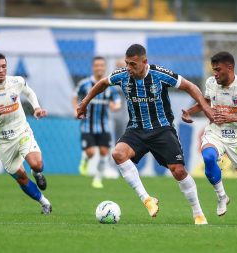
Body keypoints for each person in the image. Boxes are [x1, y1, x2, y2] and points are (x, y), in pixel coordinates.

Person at [76, 44, 214, 224]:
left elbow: (190, 86)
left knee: (178, 171)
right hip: (136, 129)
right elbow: (102, 84)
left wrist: (205, 109)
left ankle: (198, 213)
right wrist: (84, 103)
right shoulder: (123, 76)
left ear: (144, 62)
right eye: (127, 63)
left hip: (162, 129)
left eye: (133, 64)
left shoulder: (159, 74)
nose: (129, 68)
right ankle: (147, 199)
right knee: (118, 153)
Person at [181, 51, 237, 226]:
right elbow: (206, 102)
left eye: (218, 70)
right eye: (213, 70)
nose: (214, 74)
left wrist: (232, 118)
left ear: (229, 68)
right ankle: (222, 196)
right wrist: (189, 112)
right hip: (215, 132)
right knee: (208, 157)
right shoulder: (211, 82)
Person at [0, 52, 51, 214]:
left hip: (21, 131)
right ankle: (44, 202)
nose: (1, 70)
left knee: (36, 163)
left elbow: (29, 93)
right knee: (21, 177)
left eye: (4, 66)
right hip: (3, 141)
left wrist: (36, 108)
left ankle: (37, 173)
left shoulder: (17, 81)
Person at [72, 56, 121, 188]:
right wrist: (75, 110)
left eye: (101, 65)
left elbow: (117, 102)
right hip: (87, 125)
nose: (99, 68)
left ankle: (98, 179)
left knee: (105, 152)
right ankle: (85, 160)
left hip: (103, 126)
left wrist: (115, 106)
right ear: (93, 67)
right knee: (90, 152)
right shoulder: (85, 84)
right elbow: (75, 96)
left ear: (104, 67)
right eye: (97, 65)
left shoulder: (110, 86)